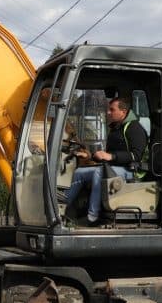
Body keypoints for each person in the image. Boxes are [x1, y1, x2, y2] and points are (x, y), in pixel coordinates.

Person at [63, 97, 148, 226]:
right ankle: (61, 210)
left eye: (112, 110)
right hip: (114, 167)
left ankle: (92, 216)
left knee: (99, 172)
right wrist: (90, 156)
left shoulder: (134, 128)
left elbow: (136, 155)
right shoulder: (116, 128)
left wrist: (112, 156)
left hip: (132, 171)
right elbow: (107, 157)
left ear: (123, 112)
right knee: (79, 172)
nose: (108, 112)